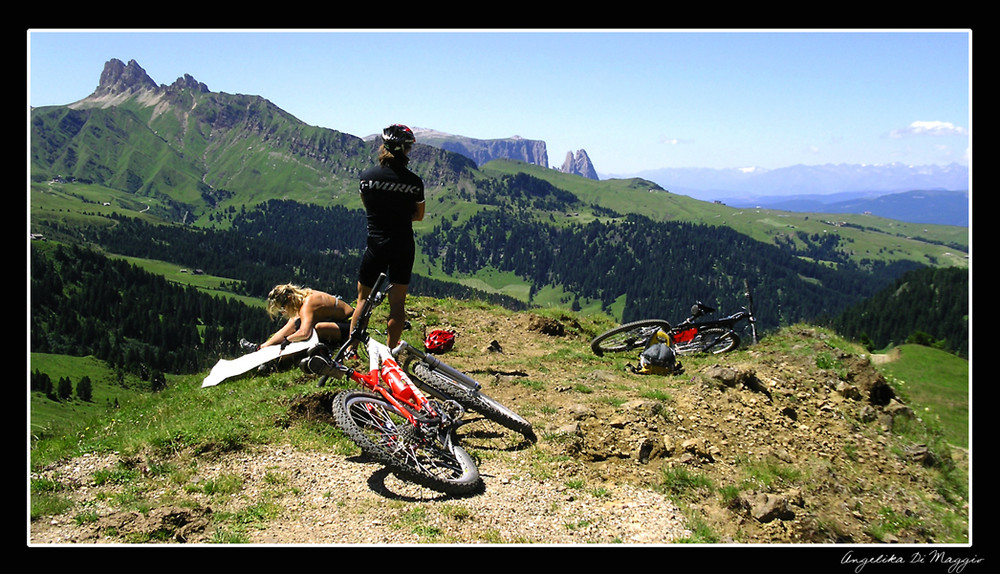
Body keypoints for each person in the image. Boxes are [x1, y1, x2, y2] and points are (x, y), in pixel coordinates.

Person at [349, 123, 425, 349]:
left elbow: (369, 207)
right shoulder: (413, 182)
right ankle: (391, 351)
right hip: (402, 244)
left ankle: (351, 349)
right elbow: (419, 216)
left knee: (363, 300)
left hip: (376, 244)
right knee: (398, 305)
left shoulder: (367, 177)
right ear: (404, 149)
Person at [241, 283, 355, 352]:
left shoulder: (308, 304)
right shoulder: (304, 298)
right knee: (294, 321)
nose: (283, 311)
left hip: (351, 326)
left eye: (283, 307)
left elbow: (304, 333)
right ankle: (260, 348)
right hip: (339, 322)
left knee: (318, 329)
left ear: (290, 298)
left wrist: (288, 340)